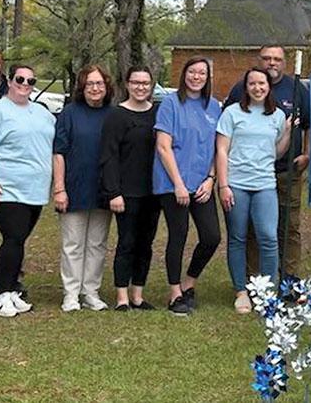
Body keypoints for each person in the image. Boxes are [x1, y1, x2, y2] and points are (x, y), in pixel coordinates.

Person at [0, 64, 56, 317]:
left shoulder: (42, 113)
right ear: (10, 80)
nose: (25, 84)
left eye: (30, 80)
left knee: (19, 240)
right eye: (20, 79)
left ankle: (13, 290)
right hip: (5, 187)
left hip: (35, 189)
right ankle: (0, 294)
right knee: (13, 237)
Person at [227, 46, 311, 281]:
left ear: (284, 63)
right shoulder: (241, 89)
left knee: (288, 227)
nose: (271, 63)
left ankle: (289, 278)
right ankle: (255, 279)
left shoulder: (296, 90)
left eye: (277, 59)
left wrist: (307, 154)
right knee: (253, 229)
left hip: (287, 170)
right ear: (259, 61)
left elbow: (308, 124)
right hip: (248, 174)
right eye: (266, 58)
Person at [216, 68, 292, 314]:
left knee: (268, 237)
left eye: (262, 83)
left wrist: (289, 131)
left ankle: (267, 292)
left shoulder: (278, 116)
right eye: (252, 84)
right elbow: (222, 151)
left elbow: (277, 152)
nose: (257, 88)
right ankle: (241, 292)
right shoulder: (232, 113)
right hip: (236, 184)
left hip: (265, 185)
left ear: (268, 86)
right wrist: (223, 185)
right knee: (237, 238)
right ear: (245, 86)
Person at [154, 57, 223, 316]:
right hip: (173, 184)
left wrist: (211, 178)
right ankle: (175, 295)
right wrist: (179, 185)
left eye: (202, 73)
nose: (196, 76)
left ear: (208, 77)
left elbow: (219, 147)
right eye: (192, 72)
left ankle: (188, 283)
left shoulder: (213, 106)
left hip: (201, 183)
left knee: (211, 236)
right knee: (178, 235)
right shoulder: (171, 103)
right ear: (184, 75)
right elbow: (163, 146)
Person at [52, 65, 114, 312]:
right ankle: (71, 293)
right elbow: (59, 152)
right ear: (82, 87)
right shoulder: (69, 114)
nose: (95, 88)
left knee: (97, 243)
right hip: (74, 186)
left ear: (106, 86)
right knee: (73, 244)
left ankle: (91, 291)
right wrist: (59, 188)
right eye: (90, 84)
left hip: (103, 188)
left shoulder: (113, 114)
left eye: (99, 84)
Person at [99, 66, 161, 312]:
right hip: (126, 191)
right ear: (127, 84)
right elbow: (109, 156)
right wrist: (113, 191)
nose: (141, 87)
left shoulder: (157, 113)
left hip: (153, 191)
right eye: (136, 83)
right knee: (127, 242)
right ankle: (122, 297)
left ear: (151, 85)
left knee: (146, 243)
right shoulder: (117, 115)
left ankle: (138, 294)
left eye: (145, 83)